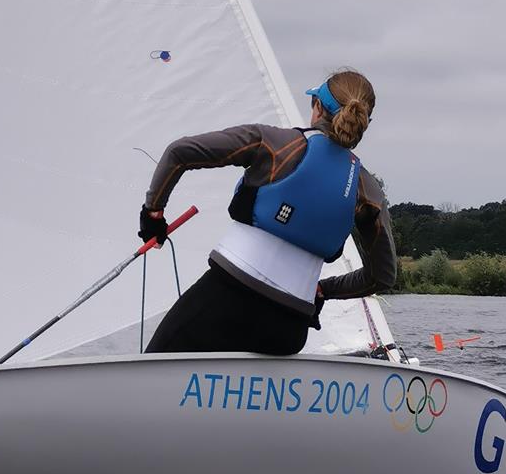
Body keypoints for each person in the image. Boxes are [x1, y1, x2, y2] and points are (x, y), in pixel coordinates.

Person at [139, 69, 397, 355]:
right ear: (364, 122)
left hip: (227, 299)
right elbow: (382, 276)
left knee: (151, 367)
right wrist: (324, 290)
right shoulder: (368, 191)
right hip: (289, 329)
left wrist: (153, 214)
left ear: (318, 107)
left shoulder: (275, 143)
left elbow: (179, 153)